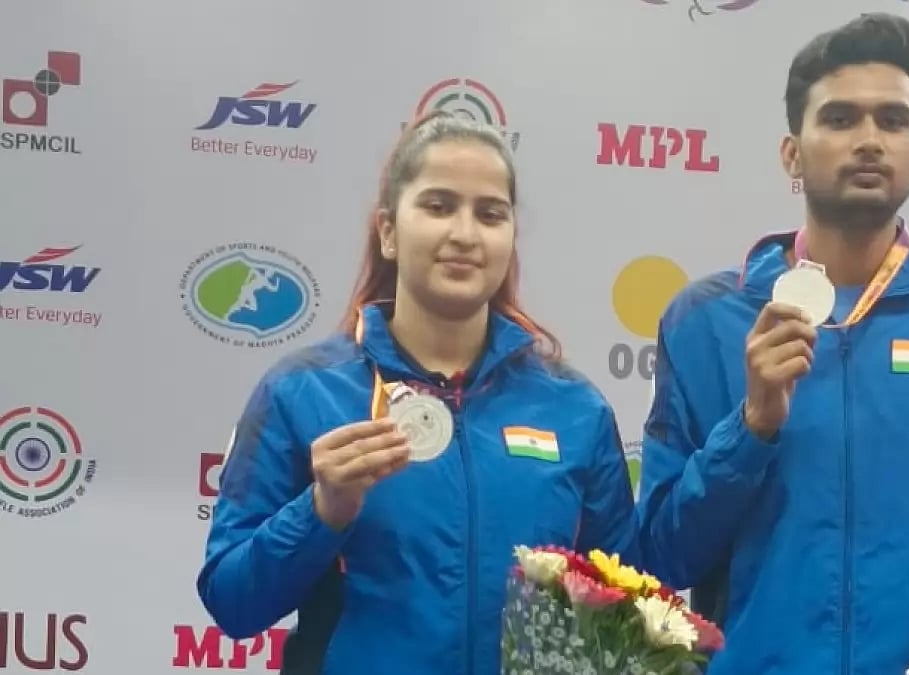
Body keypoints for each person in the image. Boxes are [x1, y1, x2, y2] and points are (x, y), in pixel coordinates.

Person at [636, 13, 909, 675]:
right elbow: (658, 555)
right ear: (792, 153)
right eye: (839, 119)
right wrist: (751, 427)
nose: (869, 140)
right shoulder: (707, 318)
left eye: (892, 120)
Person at [197, 111, 639, 675]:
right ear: (388, 231)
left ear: (510, 239)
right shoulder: (303, 392)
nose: (464, 233)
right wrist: (320, 512)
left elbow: (626, 611)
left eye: (490, 214)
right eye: (437, 206)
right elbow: (232, 603)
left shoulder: (574, 408)